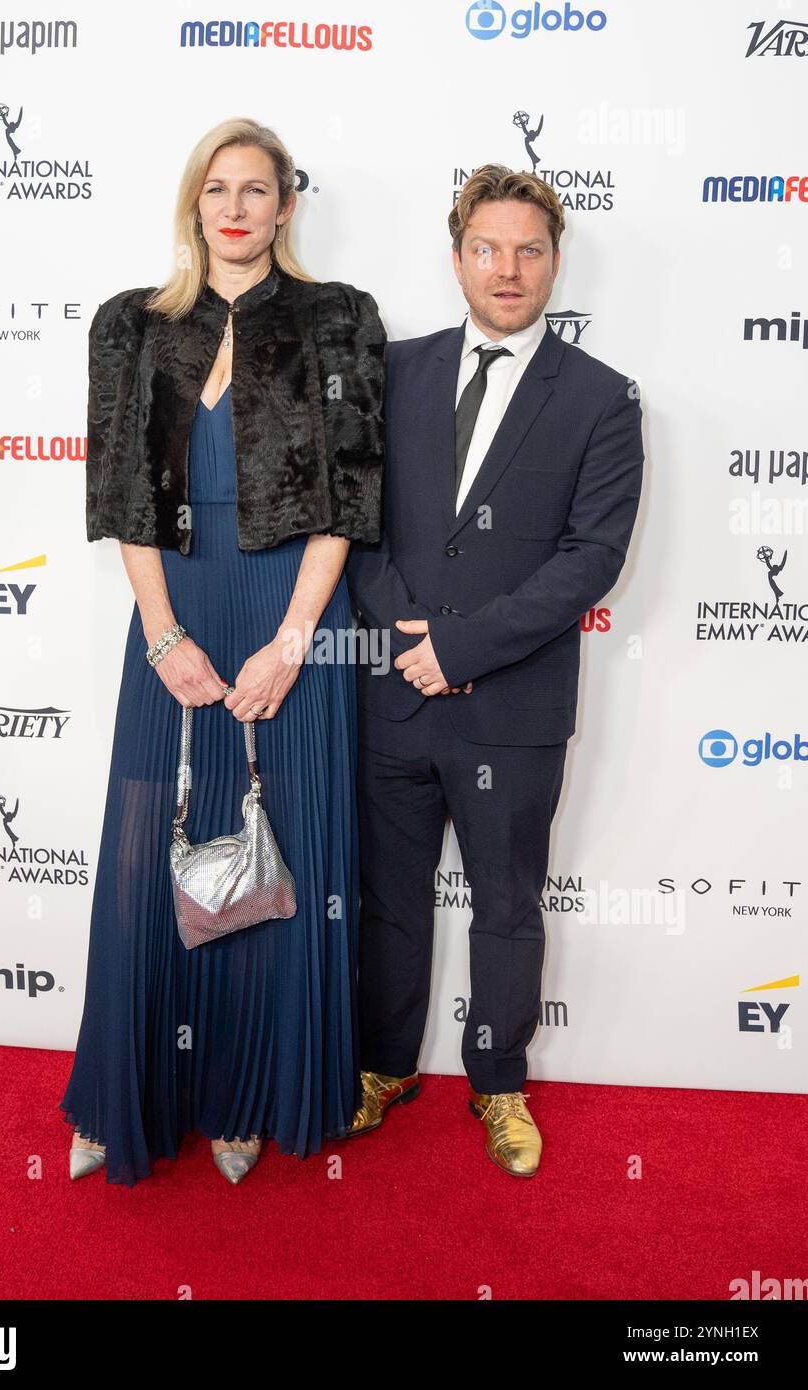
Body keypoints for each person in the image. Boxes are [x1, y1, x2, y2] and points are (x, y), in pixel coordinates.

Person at [59, 118, 385, 1185]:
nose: (236, 207)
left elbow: (347, 500)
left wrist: (293, 642)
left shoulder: (338, 320)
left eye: (258, 189)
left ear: (288, 205)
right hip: (176, 611)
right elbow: (122, 501)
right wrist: (163, 636)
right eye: (217, 189)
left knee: (277, 850)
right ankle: (130, 1093)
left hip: (294, 610)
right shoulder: (131, 326)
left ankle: (245, 1094)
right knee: (155, 843)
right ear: (193, 204)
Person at [343, 165, 644, 1178]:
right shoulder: (395, 371)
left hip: (509, 706)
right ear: (457, 255)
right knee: (387, 895)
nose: (507, 269)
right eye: (487, 247)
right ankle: (382, 1067)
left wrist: (460, 649)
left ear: (554, 261)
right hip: (390, 693)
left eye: (528, 250)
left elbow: (589, 559)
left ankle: (498, 1081)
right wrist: (406, 638)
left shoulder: (603, 399)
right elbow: (358, 527)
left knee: (505, 901)